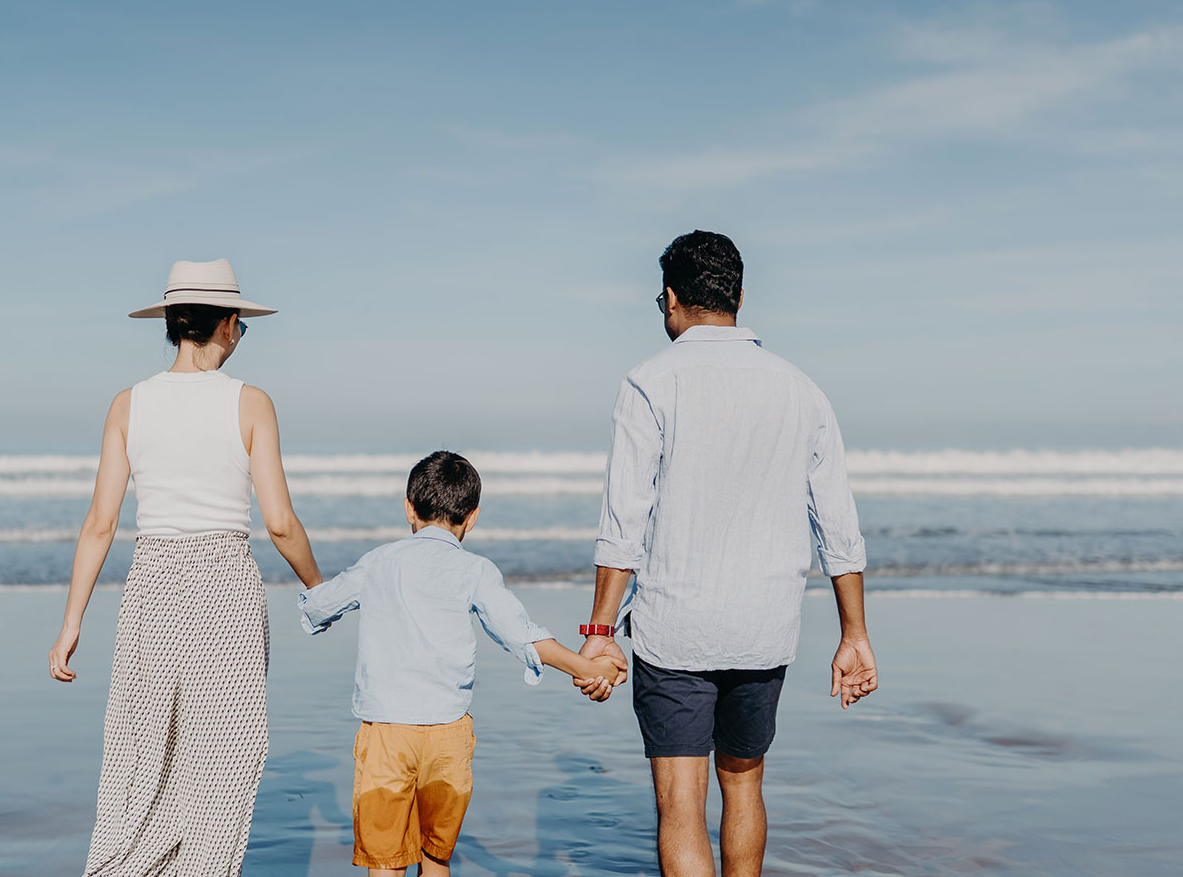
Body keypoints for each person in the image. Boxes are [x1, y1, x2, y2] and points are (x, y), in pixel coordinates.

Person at [575, 231, 878, 877]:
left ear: (672, 299)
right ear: (739, 297)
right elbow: (838, 525)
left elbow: (623, 522)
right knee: (744, 787)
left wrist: (600, 634)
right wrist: (854, 633)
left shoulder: (650, 383)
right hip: (764, 629)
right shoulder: (802, 389)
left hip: (675, 629)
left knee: (681, 807)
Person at [46, 258, 324, 877]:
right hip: (224, 586)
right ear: (226, 324)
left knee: (144, 752)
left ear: (173, 325)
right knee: (222, 756)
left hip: (152, 585)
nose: (241, 334)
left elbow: (99, 524)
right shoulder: (251, 403)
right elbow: (280, 523)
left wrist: (71, 623)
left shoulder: (128, 404)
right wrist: (318, 588)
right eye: (242, 324)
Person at [299, 451, 622, 877]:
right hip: (447, 733)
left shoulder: (378, 562)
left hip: (387, 733)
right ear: (472, 518)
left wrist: (313, 592)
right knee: (436, 858)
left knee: (385, 862)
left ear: (408, 509)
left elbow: (319, 607)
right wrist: (585, 668)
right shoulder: (475, 570)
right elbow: (520, 633)